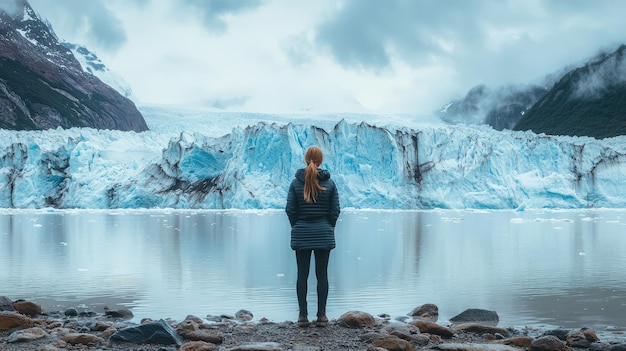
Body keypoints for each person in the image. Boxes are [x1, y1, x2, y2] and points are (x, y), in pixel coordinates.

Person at [285, 146, 340, 327]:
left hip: (302, 232)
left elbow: (291, 210)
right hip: (323, 233)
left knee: (302, 275)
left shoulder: (295, 183)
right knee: (322, 275)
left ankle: (302, 315)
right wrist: (327, 226)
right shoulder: (330, 183)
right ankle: (322, 315)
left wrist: (298, 226)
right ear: (320, 160)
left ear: (305, 158)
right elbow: (335, 211)